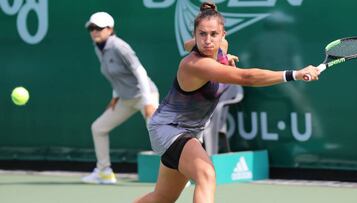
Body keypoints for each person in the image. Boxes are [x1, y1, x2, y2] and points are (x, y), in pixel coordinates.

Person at [134, 2, 320, 202]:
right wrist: (295, 74)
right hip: (170, 128)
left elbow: (195, 44)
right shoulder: (195, 64)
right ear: (195, 34)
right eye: (202, 34)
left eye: (213, 34)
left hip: (190, 131)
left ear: (223, 35)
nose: (207, 41)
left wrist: (221, 55)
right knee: (206, 174)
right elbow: (247, 78)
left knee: (162, 198)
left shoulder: (220, 48)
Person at [82, 12, 159, 184]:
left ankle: (179, 175)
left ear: (110, 29)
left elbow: (140, 72)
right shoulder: (98, 47)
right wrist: (115, 95)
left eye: (99, 28)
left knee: (159, 135)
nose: (94, 32)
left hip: (145, 95)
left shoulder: (120, 47)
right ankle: (104, 172)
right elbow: (116, 76)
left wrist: (148, 102)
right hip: (125, 99)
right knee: (98, 128)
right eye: (91, 28)